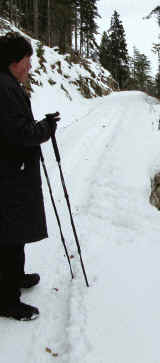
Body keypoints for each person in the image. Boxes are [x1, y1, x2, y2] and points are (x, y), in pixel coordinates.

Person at [0, 32, 60, 321]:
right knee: (10, 234)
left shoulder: (8, 84)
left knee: (13, 232)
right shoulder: (5, 88)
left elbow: (14, 127)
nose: (30, 66)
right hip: (8, 175)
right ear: (15, 61)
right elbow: (20, 133)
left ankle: (14, 277)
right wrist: (45, 130)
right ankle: (7, 299)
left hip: (11, 171)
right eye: (27, 60)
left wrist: (40, 126)